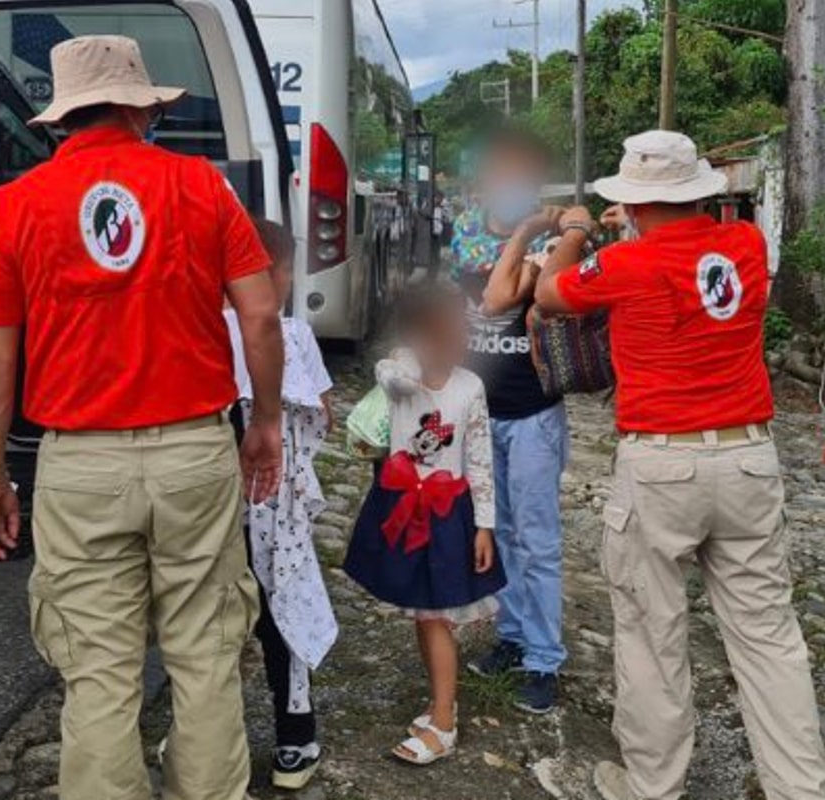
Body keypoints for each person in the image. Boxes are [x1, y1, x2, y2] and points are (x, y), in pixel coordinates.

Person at [0, 35, 285, 800]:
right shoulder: (202, 187)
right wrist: (264, 422)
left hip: (80, 466)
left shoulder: (10, 207)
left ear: (60, 119)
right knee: (204, 657)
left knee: (98, 672)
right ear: (144, 109)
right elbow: (263, 317)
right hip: (195, 455)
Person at [534, 130, 825, 800]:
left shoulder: (627, 265)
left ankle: (652, 784)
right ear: (696, 191)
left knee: (651, 632)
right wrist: (636, 228)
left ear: (634, 201)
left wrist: (578, 234)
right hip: (750, 455)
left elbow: (551, 294)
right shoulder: (747, 245)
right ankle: (798, 788)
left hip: (663, 463)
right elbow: (688, 260)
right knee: (769, 637)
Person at [342, 287, 505, 767]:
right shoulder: (400, 376)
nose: (457, 337)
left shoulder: (470, 386)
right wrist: (405, 354)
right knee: (421, 610)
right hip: (402, 508)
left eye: (460, 328)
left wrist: (484, 526)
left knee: (435, 617)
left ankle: (444, 721)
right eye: (443, 328)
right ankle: (440, 703)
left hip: (446, 514)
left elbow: (479, 459)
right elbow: (393, 379)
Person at [450, 130, 568, 713]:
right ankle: (514, 637)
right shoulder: (464, 241)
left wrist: (529, 235)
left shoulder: (548, 250)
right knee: (493, 535)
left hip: (532, 416)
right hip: (479, 417)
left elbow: (502, 300)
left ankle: (545, 659)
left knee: (537, 539)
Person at [224, 219, 335, 790]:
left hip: (212, 510)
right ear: (277, 273)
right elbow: (324, 413)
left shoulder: (199, 331)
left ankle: (205, 735)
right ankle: (295, 733)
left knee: (206, 618)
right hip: (274, 510)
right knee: (279, 614)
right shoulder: (291, 335)